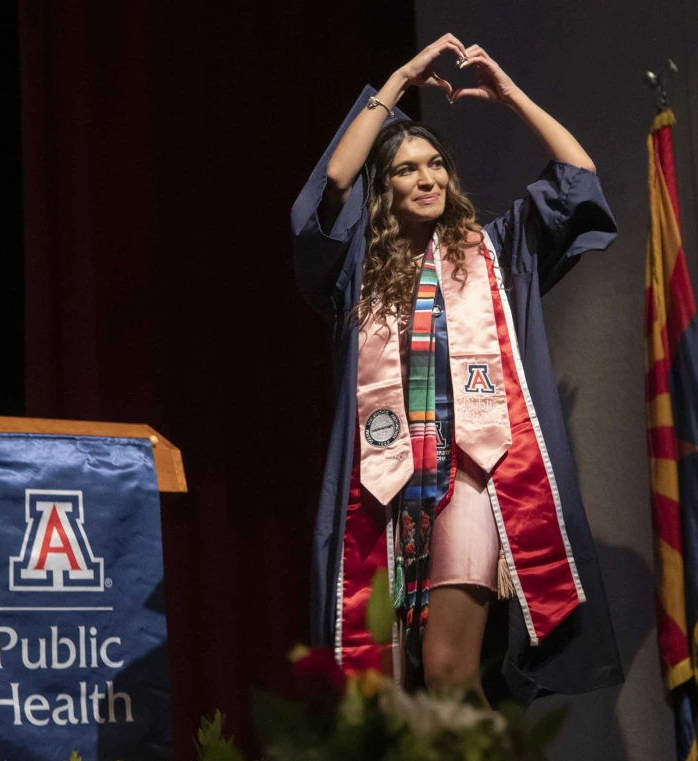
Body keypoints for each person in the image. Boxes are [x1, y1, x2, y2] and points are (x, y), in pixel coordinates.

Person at [291, 33, 624, 704]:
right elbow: (330, 184)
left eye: (437, 164)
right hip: (383, 489)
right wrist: (398, 80)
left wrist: (510, 97)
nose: (428, 178)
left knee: (447, 669)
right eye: (409, 168)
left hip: (471, 478)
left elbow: (579, 175)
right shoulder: (356, 272)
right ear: (384, 189)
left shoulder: (495, 253)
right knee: (386, 691)